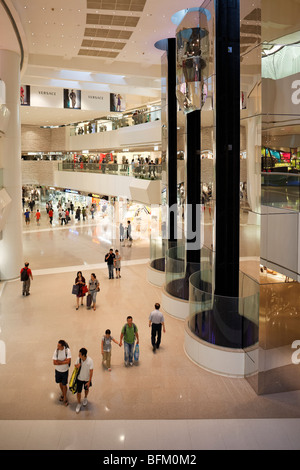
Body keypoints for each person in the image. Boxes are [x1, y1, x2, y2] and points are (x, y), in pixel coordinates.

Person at [52, 340, 71, 406]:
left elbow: (68, 361)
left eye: (59, 346)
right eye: (57, 345)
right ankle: (63, 394)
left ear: (63, 346)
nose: (57, 347)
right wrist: (63, 362)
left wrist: (59, 362)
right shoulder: (56, 351)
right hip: (58, 371)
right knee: (60, 383)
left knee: (64, 384)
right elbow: (54, 362)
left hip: (65, 371)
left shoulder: (67, 351)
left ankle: (65, 397)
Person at [74, 348, 93, 414]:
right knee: (78, 392)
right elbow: (75, 365)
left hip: (87, 379)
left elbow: (91, 372)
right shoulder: (78, 359)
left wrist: (89, 381)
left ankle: (85, 397)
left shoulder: (90, 361)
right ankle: (79, 403)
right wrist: (77, 366)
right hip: (79, 379)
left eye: (80, 354)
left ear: (84, 355)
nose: (78, 355)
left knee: (86, 390)